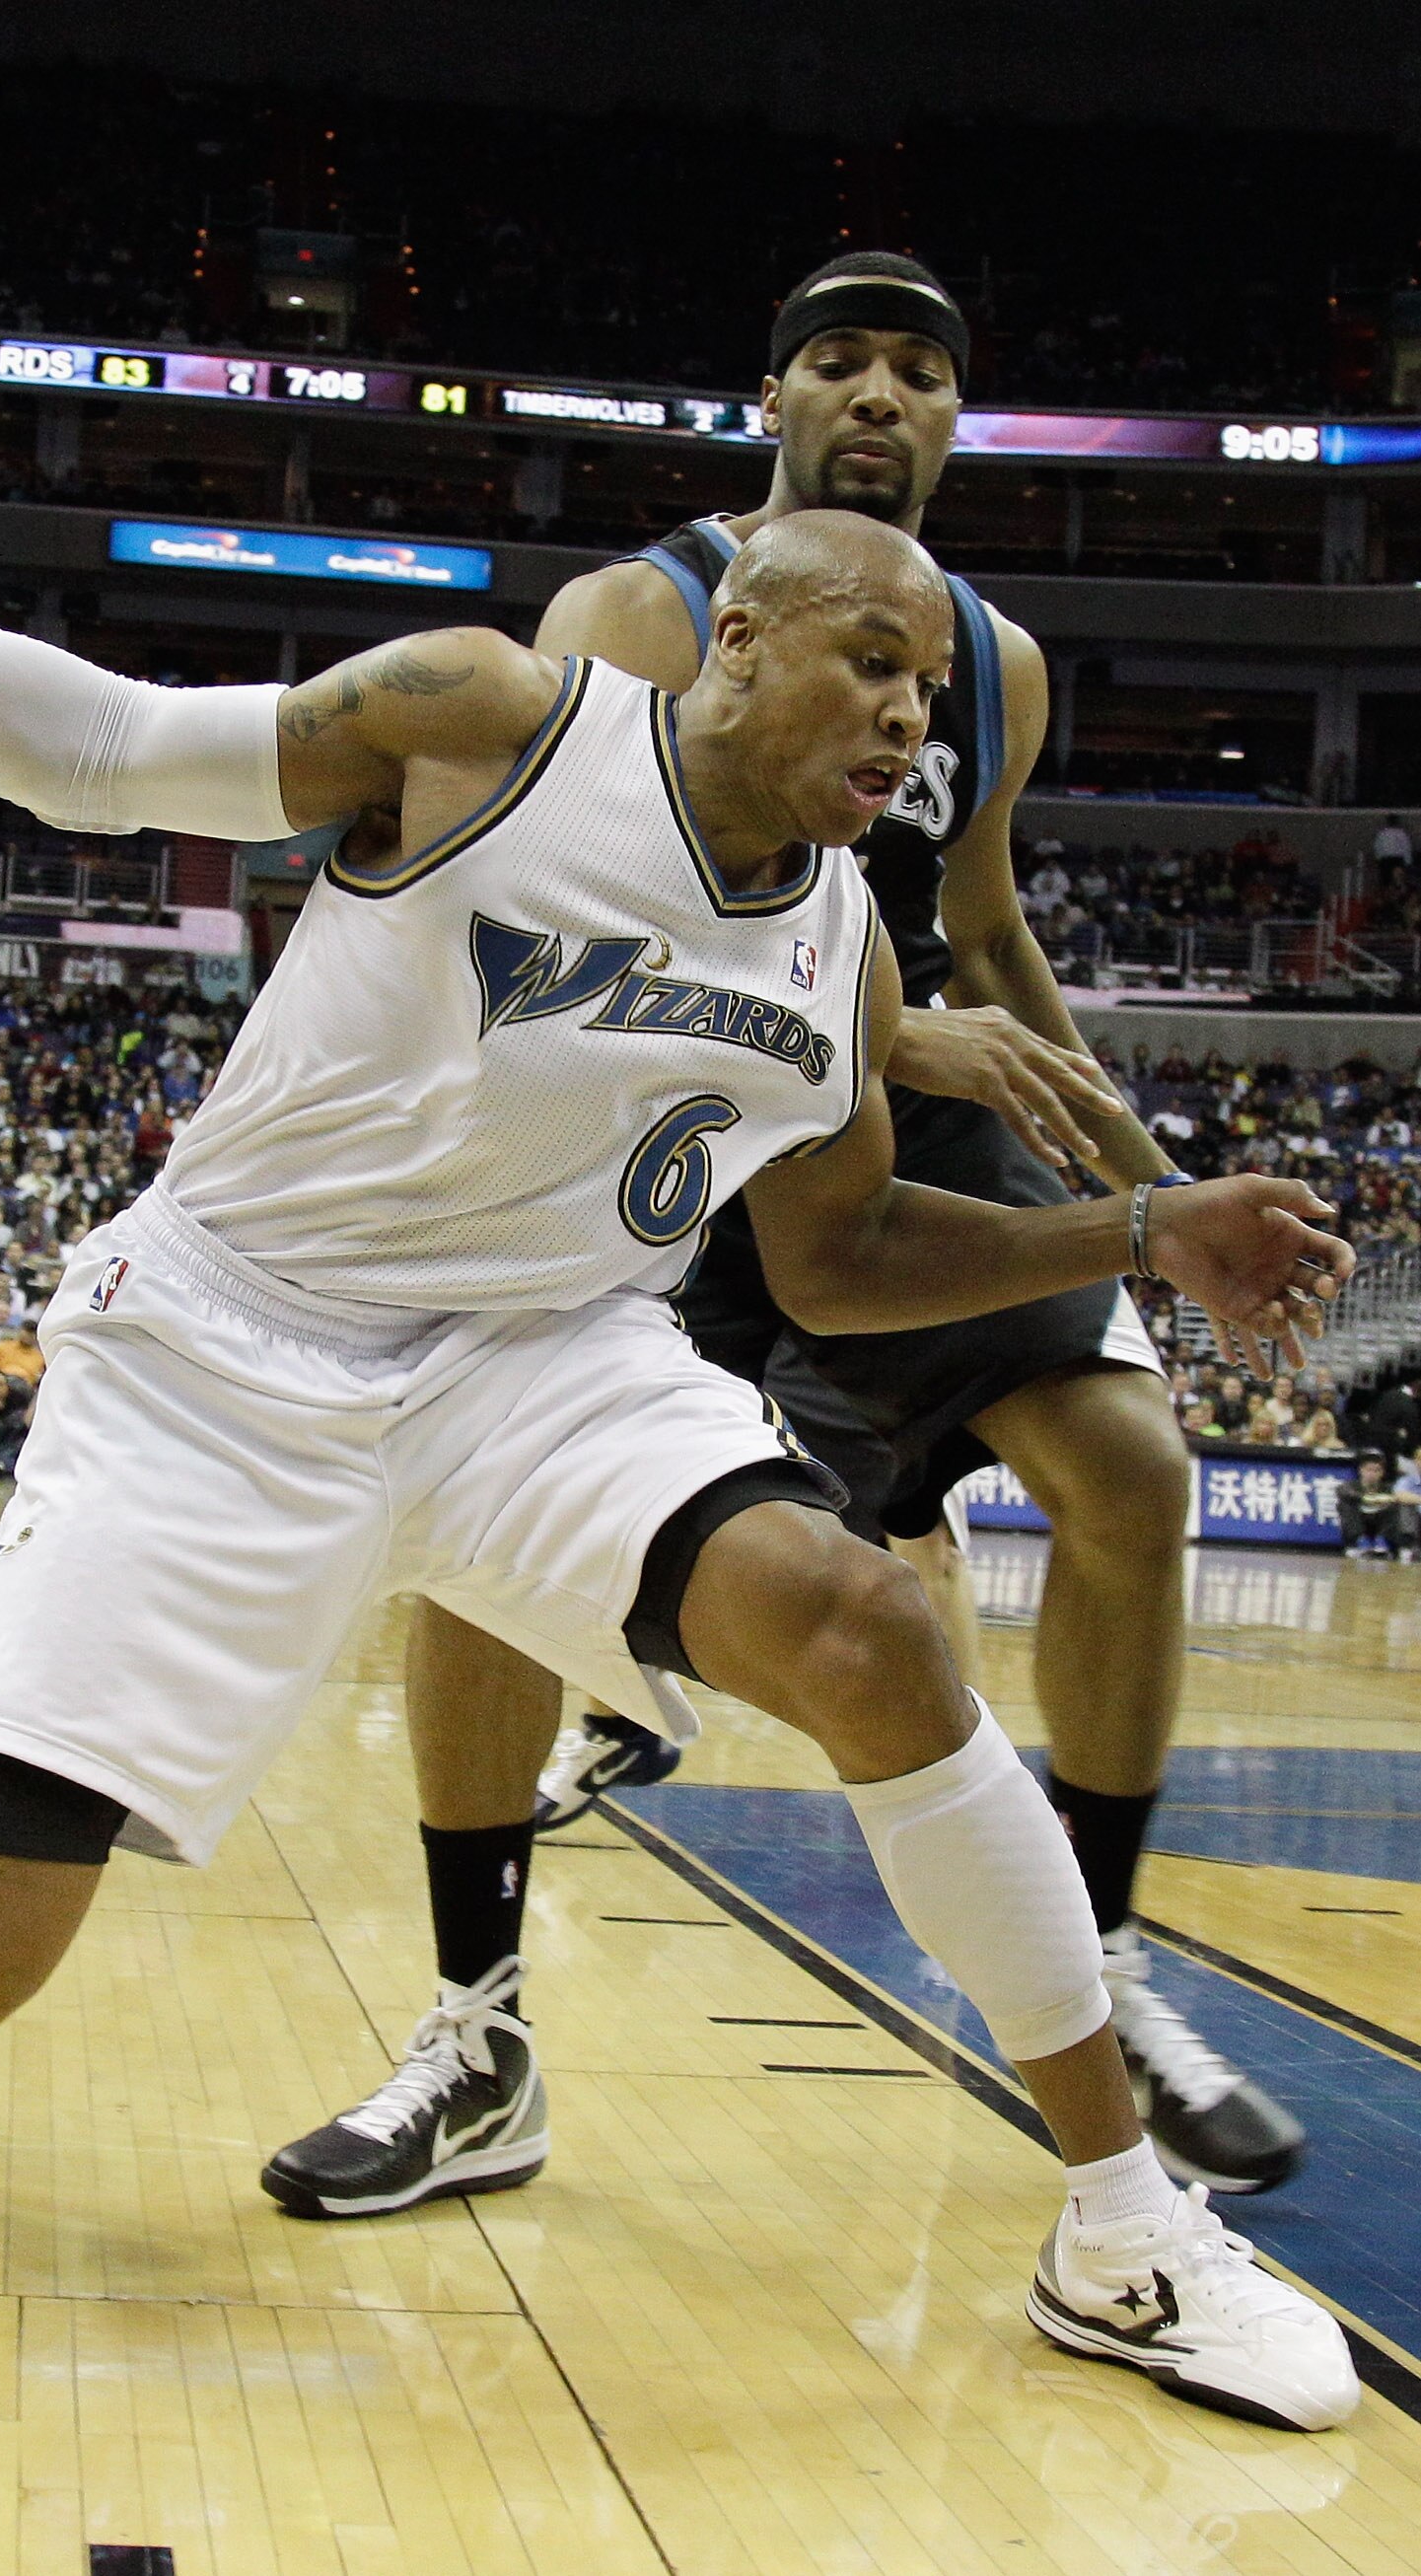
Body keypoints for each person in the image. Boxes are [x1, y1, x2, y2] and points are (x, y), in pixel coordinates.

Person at [0, 504, 1359, 2430]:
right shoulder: (493, 717)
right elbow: (107, 750)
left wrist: (1137, 1225)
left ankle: (1118, 2231)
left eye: (928, 688)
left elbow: (840, 1262)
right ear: (740, 642)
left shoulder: (842, 944)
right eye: (868, 659)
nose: (905, 716)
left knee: (867, 1626)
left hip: (541, 1363)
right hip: (222, 1354)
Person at [351, 251, 1303, 2215]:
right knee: (477, 1538)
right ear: (769, 398)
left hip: (903, 1099)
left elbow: (985, 927)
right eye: (839, 362)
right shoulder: (636, 606)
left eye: (918, 374)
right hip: (672, 1093)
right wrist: (854, 1008)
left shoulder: (990, 653)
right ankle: (473, 2026)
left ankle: (1100, 1966)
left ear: (957, 425)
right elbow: (561, 886)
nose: (878, 396)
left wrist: (1152, 1179)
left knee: (1129, 1467)